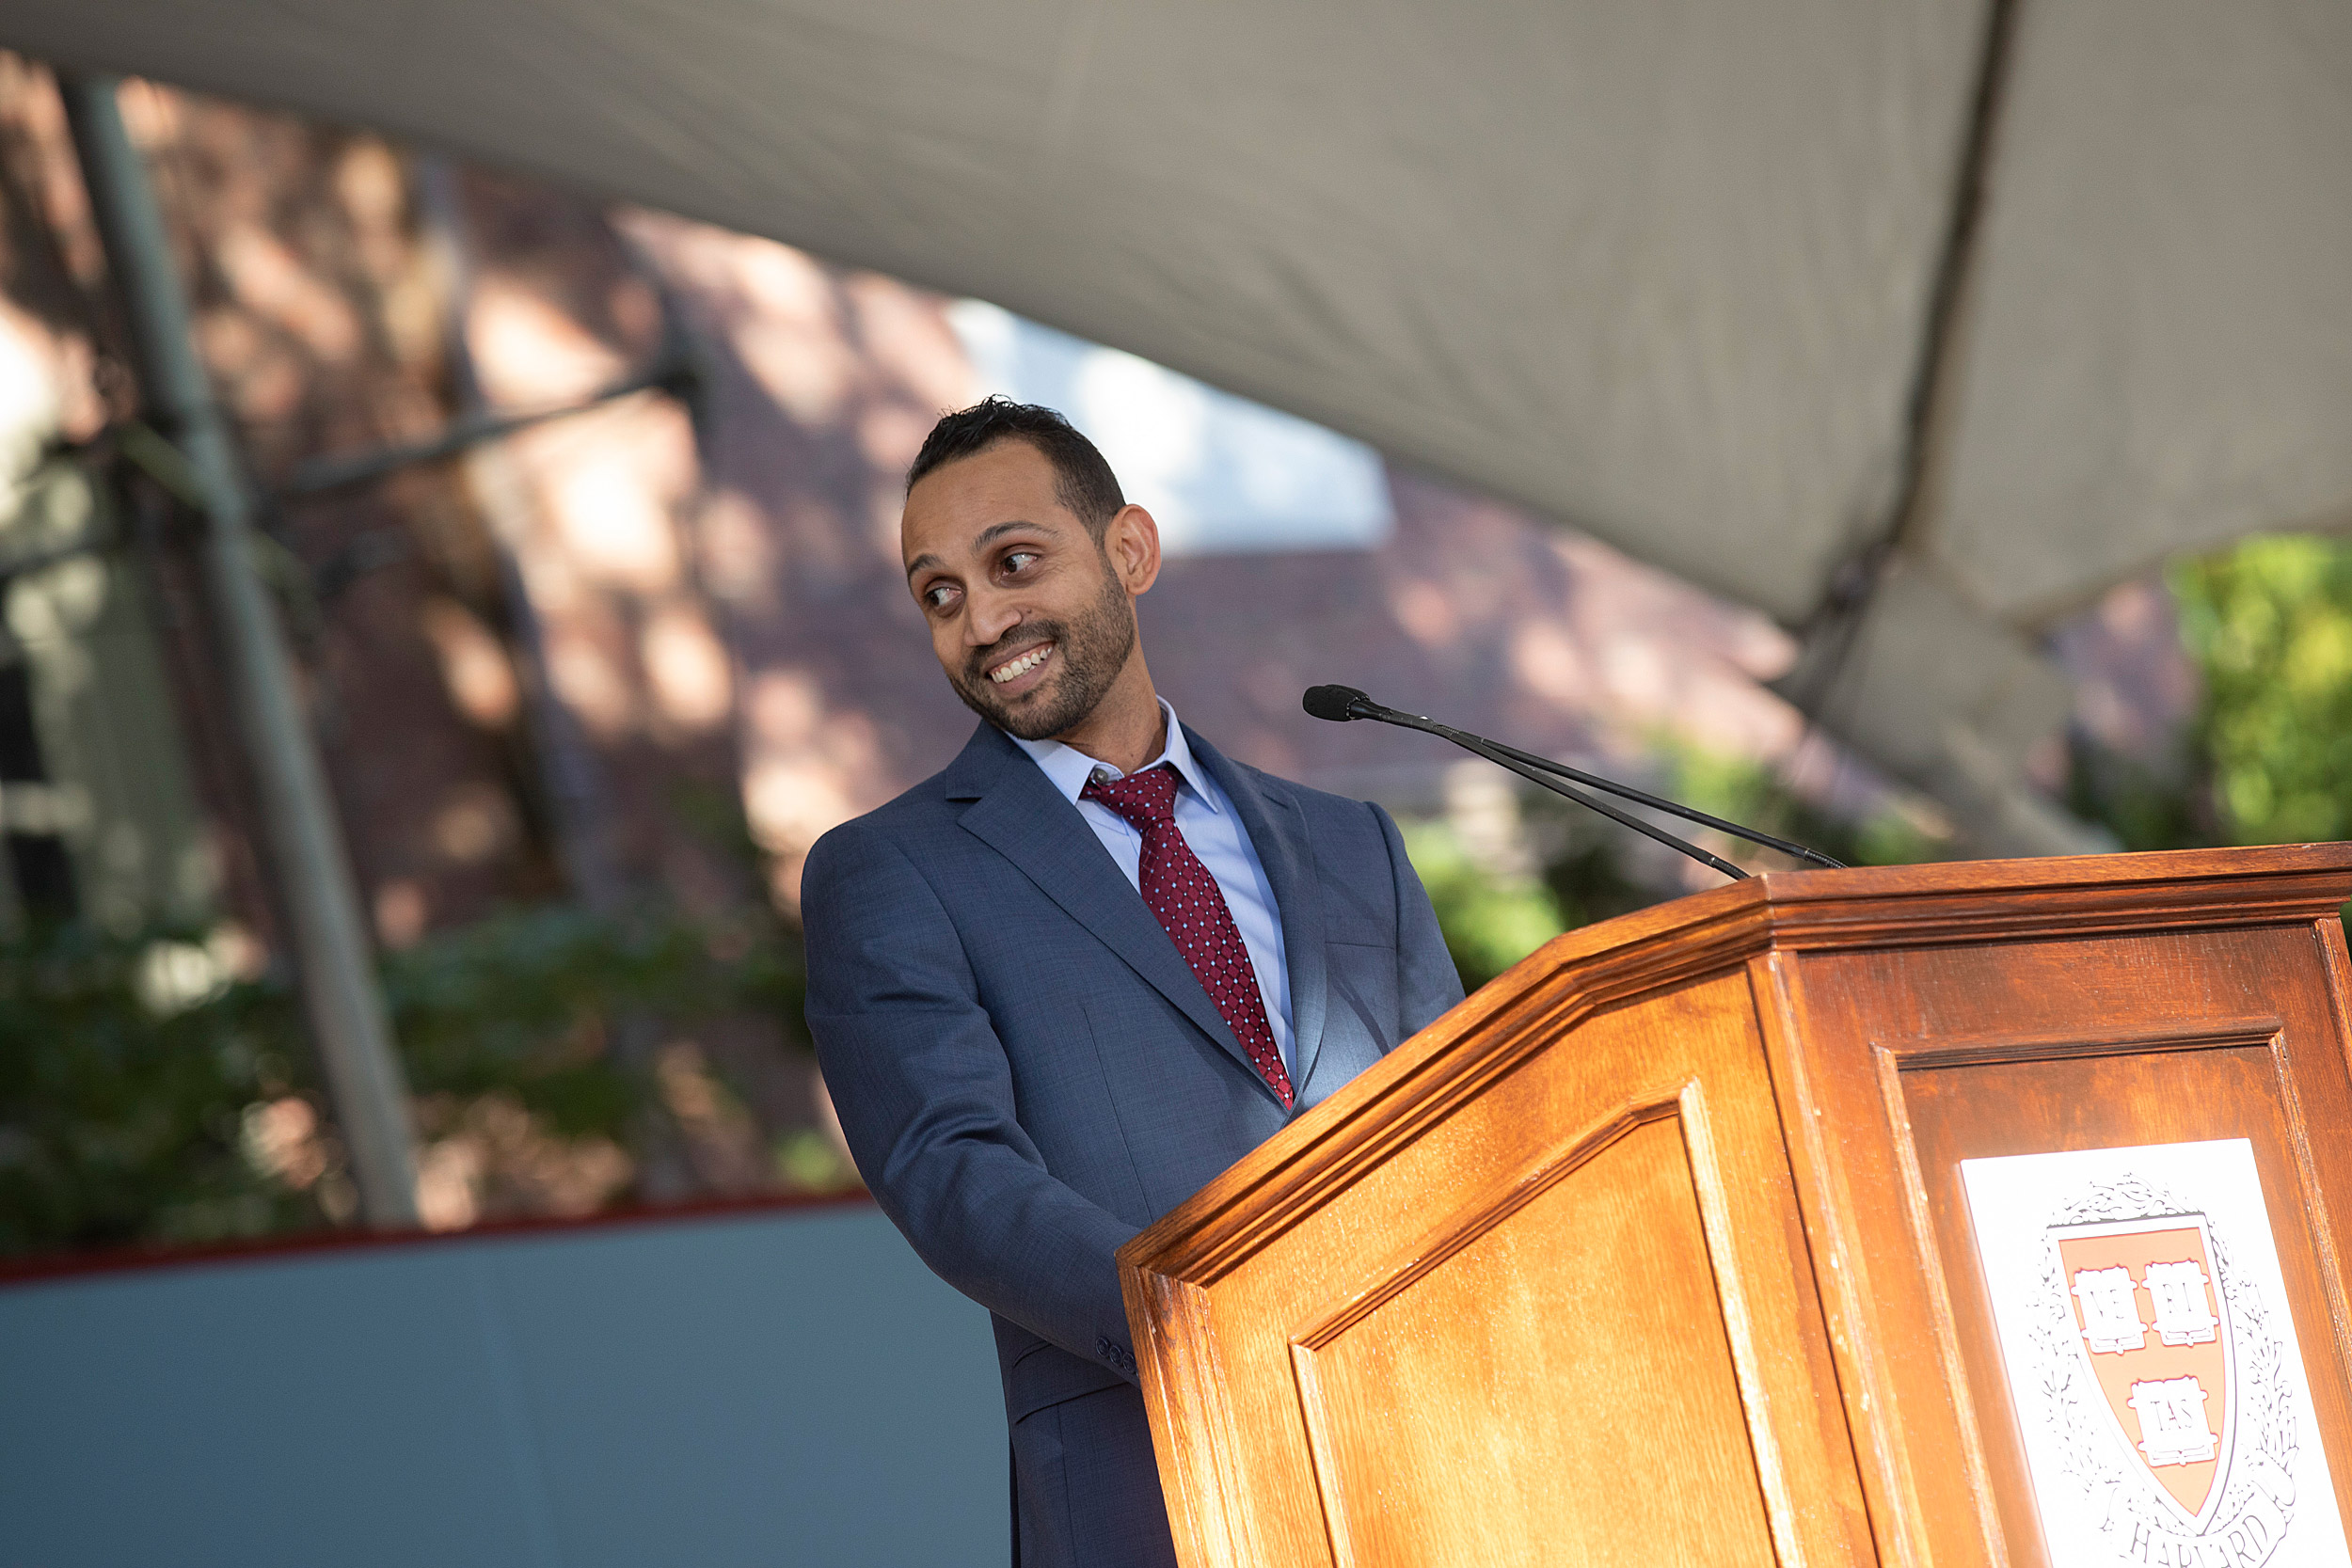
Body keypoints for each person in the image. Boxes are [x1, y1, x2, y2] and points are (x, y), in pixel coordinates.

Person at [802, 397, 1463, 1567]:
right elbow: (953, 1175)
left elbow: (1462, 1132)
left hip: (1432, 1450)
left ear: (1130, 551)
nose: (983, 617)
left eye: (1013, 561)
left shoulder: (1352, 843)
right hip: (1148, 1477)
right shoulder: (889, 872)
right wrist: (1205, 1317)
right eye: (939, 593)